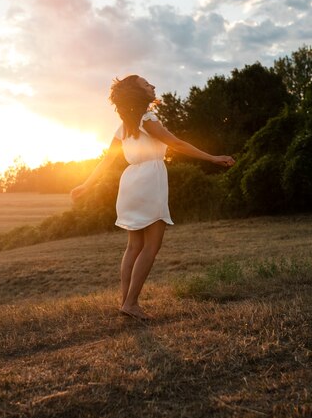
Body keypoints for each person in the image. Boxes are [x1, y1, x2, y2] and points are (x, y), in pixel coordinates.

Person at [71, 75, 235, 321]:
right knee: (152, 244)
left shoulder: (124, 126)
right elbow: (176, 143)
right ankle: (132, 303)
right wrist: (213, 158)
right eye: (147, 85)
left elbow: (107, 161)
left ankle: (125, 301)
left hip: (130, 183)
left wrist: (86, 184)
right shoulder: (147, 119)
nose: (153, 86)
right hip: (150, 179)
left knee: (134, 245)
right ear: (138, 94)